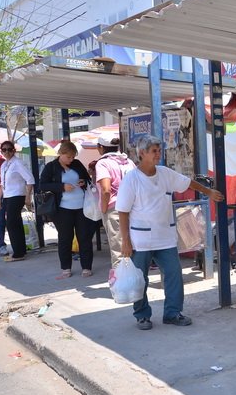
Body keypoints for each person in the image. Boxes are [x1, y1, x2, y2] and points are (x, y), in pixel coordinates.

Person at [117, 135, 224, 330]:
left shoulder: (165, 173)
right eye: (154, 151)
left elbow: (187, 182)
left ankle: (173, 313)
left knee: (174, 274)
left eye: (159, 150)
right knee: (140, 278)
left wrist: (208, 192)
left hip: (165, 237)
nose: (159, 154)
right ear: (142, 154)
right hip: (140, 239)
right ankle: (142, 315)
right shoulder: (132, 179)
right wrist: (125, 241)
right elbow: (122, 212)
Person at [40, 141, 94, 279]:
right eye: (68, 157)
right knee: (65, 238)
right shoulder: (51, 167)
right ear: (60, 154)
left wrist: (83, 182)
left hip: (81, 206)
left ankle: (87, 267)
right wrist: (62, 187)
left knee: (84, 238)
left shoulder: (76, 164)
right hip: (62, 209)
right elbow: (43, 185)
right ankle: (65, 268)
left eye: (72, 157)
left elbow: (88, 179)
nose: (71, 160)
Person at [94, 133, 135, 268]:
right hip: (133, 207)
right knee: (133, 245)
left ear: (101, 148)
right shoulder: (129, 162)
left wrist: (104, 208)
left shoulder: (103, 163)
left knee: (118, 248)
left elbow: (106, 190)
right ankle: (136, 278)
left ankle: (122, 283)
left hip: (115, 209)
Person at [0, 140, 34, 262]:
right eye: (4, 150)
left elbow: (30, 179)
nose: (7, 152)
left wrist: (28, 197)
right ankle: (20, 250)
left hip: (17, 195)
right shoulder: (4, 165)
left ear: (14, 150)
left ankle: (18, 253)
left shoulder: (18, 163)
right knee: (16, 223)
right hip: (7, 196)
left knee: (11, 224)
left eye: (9, 149)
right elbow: (2, 184)